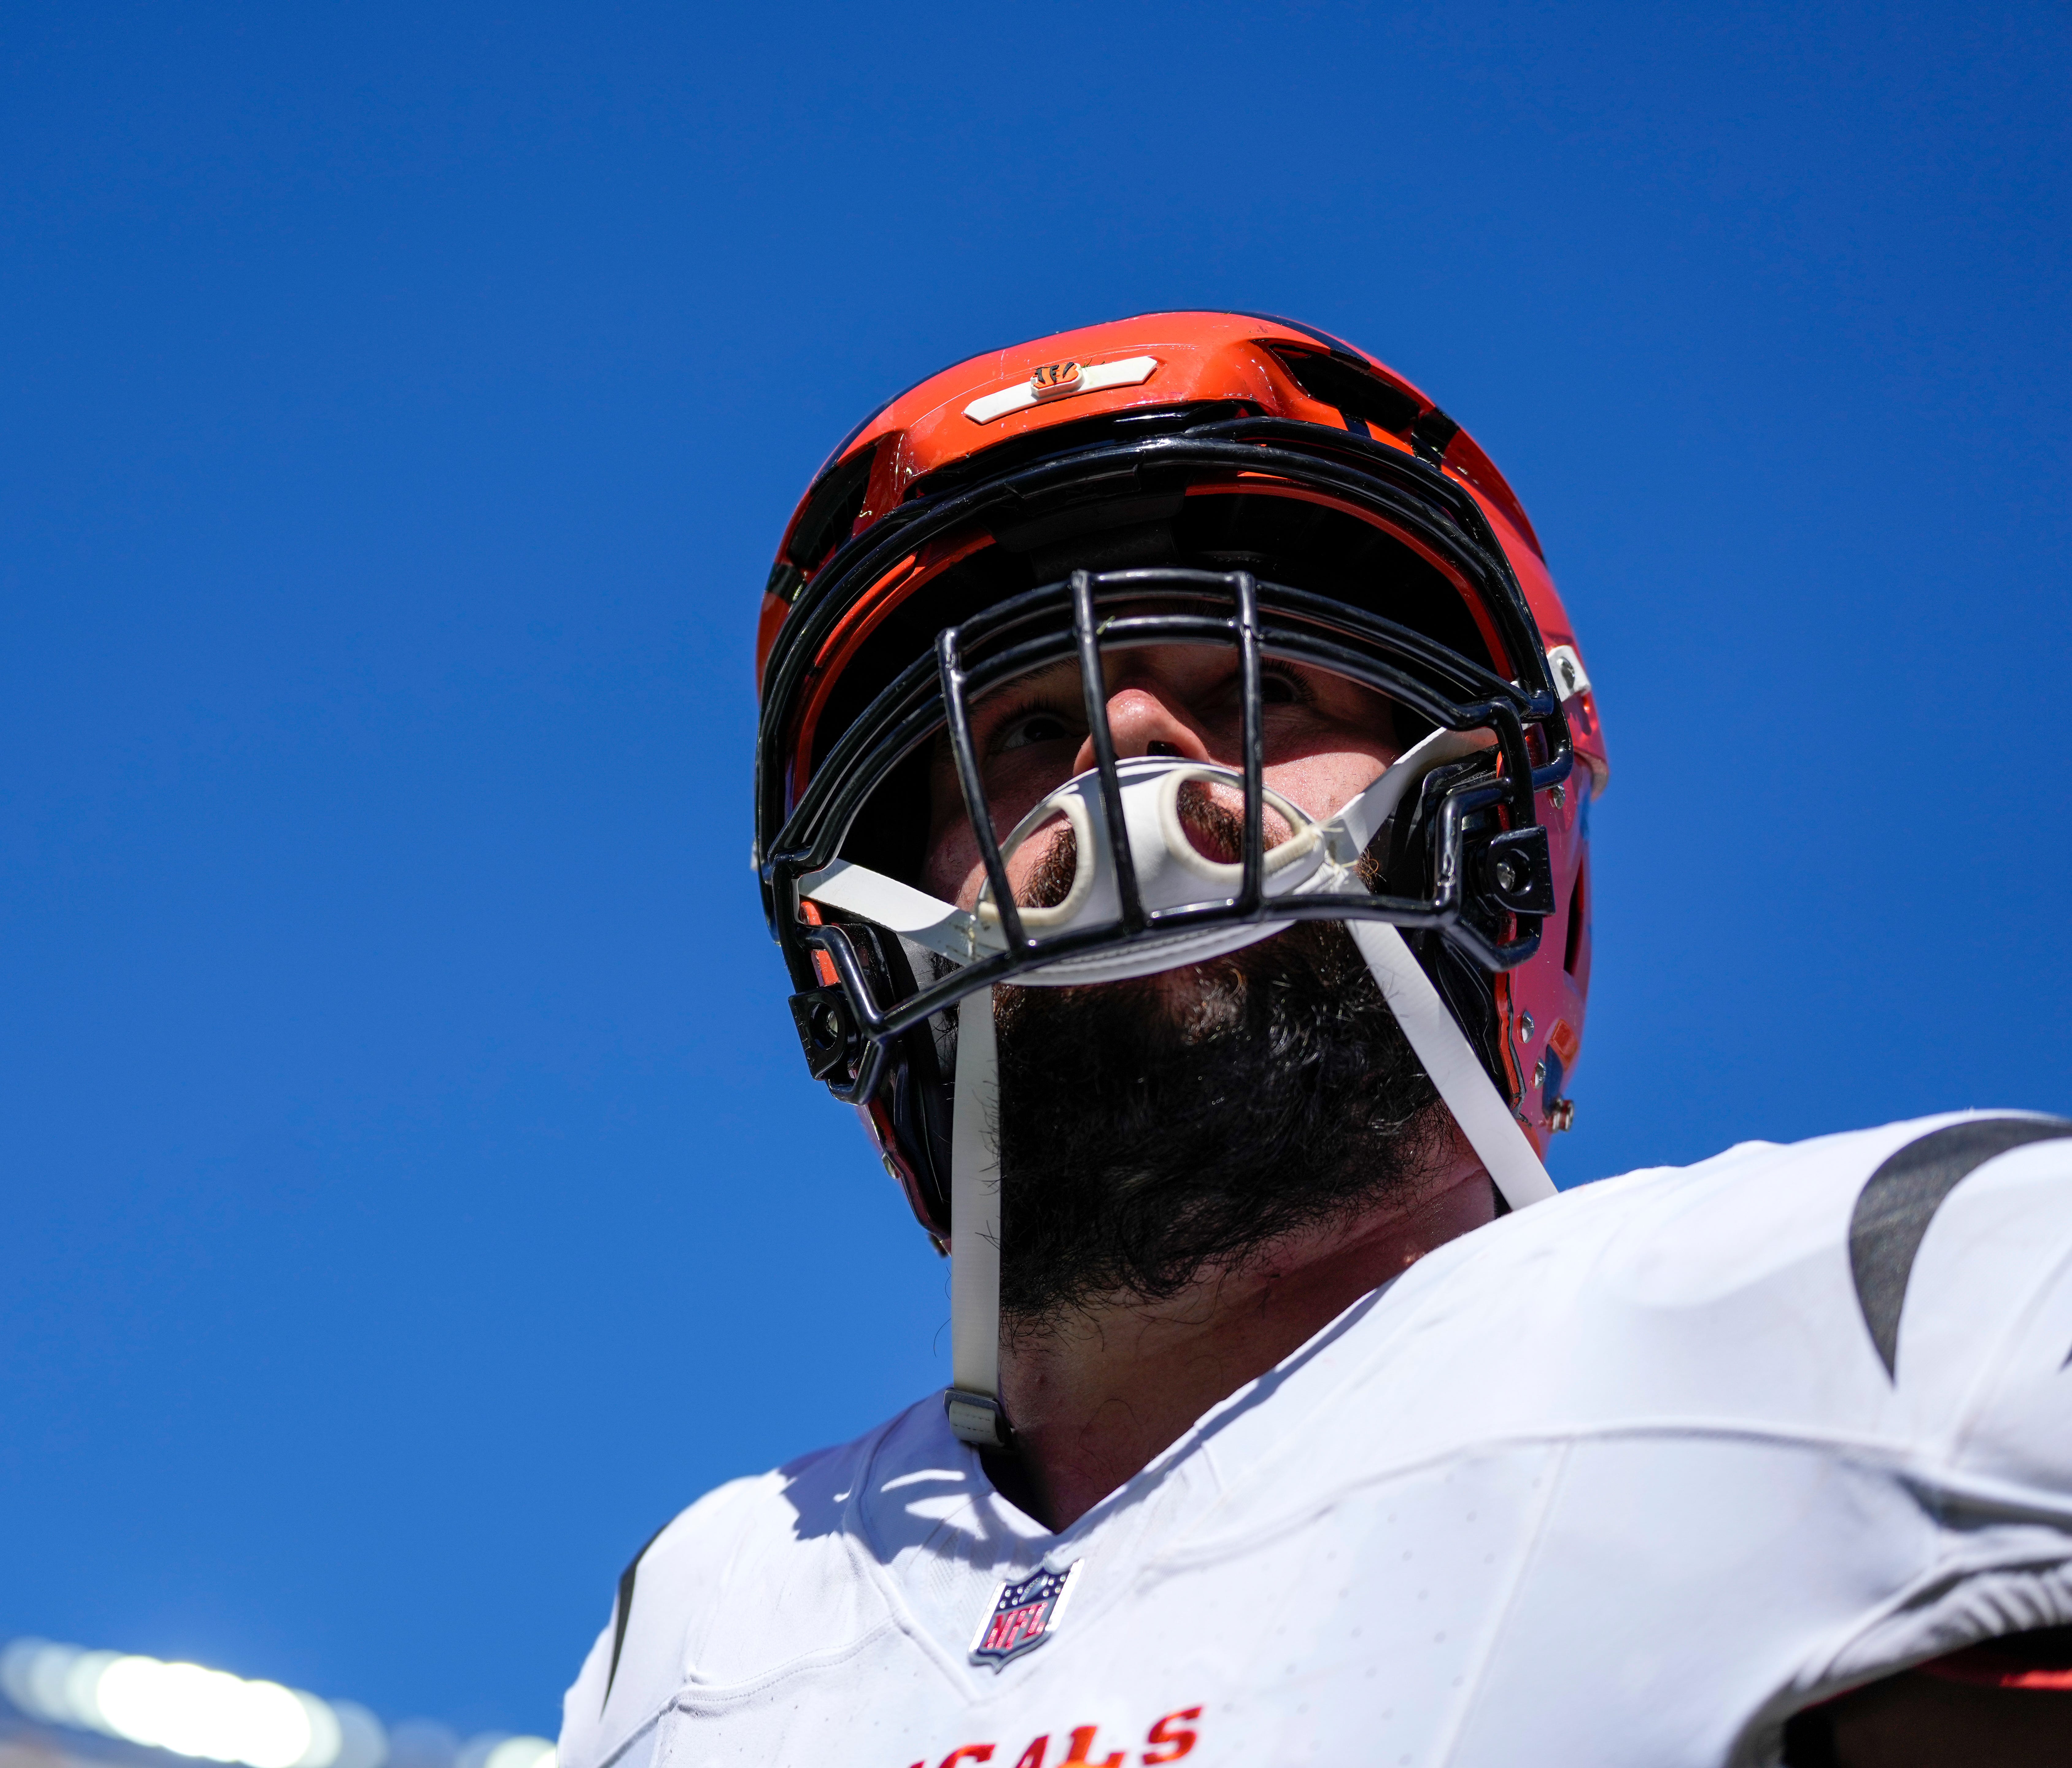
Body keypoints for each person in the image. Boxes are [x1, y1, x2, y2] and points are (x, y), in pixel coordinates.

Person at [553, 313, 2072, 1767]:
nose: (1126, 742)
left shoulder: (1882, 1305)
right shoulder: (703, 1636)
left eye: (1261, 683)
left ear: (1498, 824)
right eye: (1019, 730)